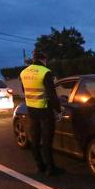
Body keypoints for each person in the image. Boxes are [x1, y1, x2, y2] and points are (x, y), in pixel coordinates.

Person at [19, 49, 65, 178]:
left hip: (31, 110)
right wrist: (59, 110)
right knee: (47, 140)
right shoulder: (45, 72)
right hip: (45, 110)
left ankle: (40, 166)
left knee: (35, 139)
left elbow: (24, 90)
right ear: (44, 59)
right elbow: (52, 95)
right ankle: (51, 168)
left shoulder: (23, 72)